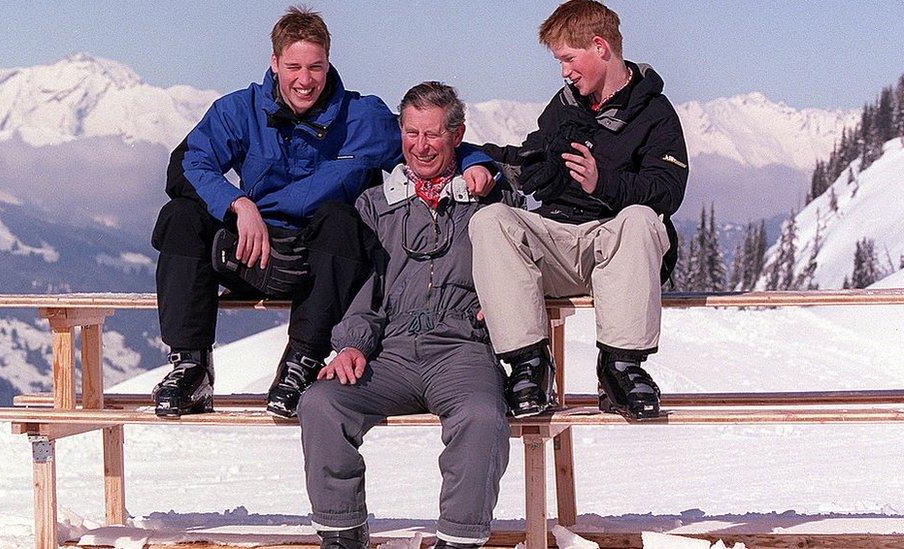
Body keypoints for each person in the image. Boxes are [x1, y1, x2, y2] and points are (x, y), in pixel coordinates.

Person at [150, 6, 494, 417]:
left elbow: (425, 146)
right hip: (250, 250)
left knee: (341, 219)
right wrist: (238, 204)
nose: (304, 79)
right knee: (180, 218)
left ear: (328, 64)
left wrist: (477, 163)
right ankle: (191, 367)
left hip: (322, 270)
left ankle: (301, 363)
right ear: (274, 63)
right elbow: (187, 164)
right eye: (293, 66)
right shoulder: (239, 111)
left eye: (315, 67)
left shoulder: (361, 118)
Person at [297, 82, 519, 549]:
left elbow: (524, 261)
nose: (421, 146)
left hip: (460, 348)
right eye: (411, 133)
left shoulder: (489, 200)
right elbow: (362, 289)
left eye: (434, 135)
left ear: (457, 135)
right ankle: (341, 534)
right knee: (321, 403)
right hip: (390, 352)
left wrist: (501, 305)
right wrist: (352, 343)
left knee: (482, 416)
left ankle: (459, 540)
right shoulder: (376, 204)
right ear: (400, 132)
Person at [469, 0, 689, 420]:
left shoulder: (656, 114)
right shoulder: (564, 106)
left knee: (642, 217)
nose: (564, 71)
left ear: (600, 47)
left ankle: (622, 368)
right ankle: (528, 366)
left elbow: (668, 191)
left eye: (569, 59)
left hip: (616, 249)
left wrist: (601, 182)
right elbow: (530, 156)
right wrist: (476, 159)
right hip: (558, 242)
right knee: (491, 220)